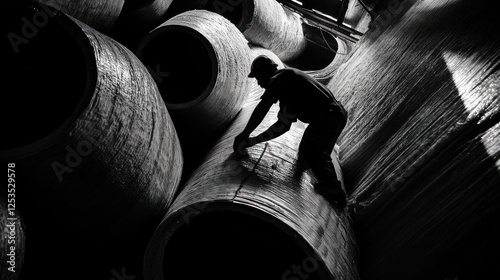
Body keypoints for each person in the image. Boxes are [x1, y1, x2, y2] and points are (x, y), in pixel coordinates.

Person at [233, 55, 349, 209]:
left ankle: (334, 189)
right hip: (333, 116)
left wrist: (245, 133)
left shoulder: (280, 77)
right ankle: (334, 190)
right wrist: (252, 141)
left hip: (328, 116)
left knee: (313, 150)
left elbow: (264, 105)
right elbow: (282, 126)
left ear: (266, 71)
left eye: (258, 78)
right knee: (309, 153)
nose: (259, 84)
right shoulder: (288, 85)